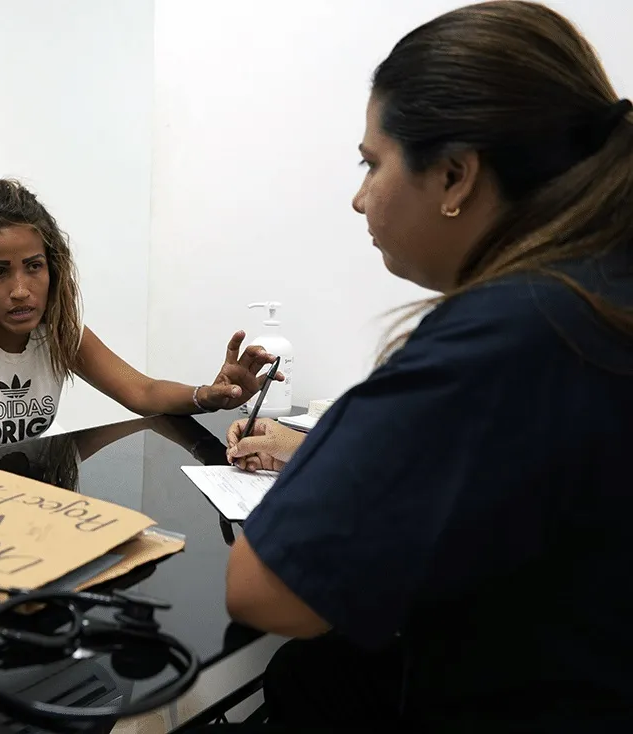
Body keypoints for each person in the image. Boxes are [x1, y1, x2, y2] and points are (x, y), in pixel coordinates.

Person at [213, 2, 633, 732]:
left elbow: (261, 587)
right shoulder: (600, 290)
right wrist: (327, 450)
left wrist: (346, 443)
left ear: (455, 175)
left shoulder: (506, 332)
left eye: (372, 164)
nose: (359, 197)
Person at [0, 179, 281, 454]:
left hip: (28, 508)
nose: (20, 289)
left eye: (33, 266)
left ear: (53, 268)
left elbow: (142, 392)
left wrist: (209, 396)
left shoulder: (58, 332)